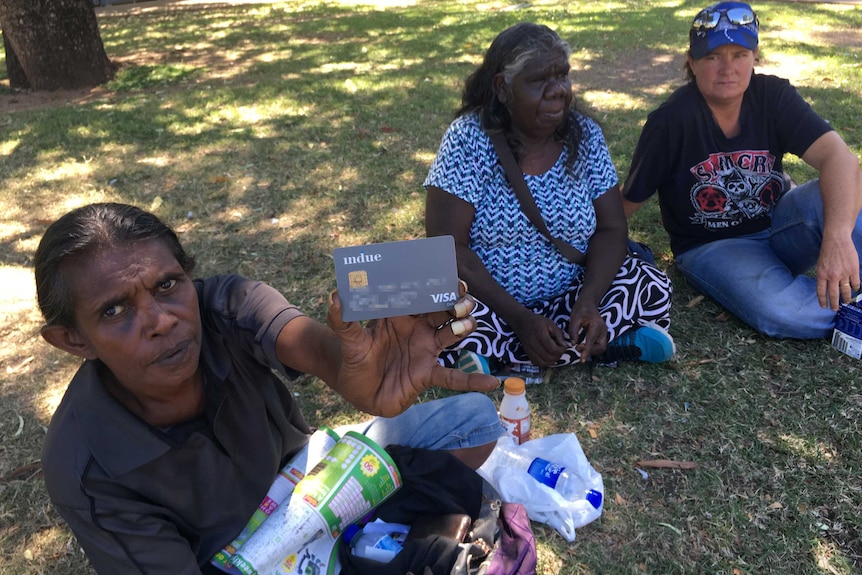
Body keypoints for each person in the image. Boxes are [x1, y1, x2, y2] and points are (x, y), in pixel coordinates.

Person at [34, 202, 504, 574]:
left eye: (167, 285)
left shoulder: (226, 306)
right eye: (114, 312)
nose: (160, 321)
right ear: (73, 339)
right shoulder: (85, 465)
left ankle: (356, 529)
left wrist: (358, 374)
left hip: (310, 480)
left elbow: (316, 348)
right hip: (241, 558)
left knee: (476, 420)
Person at [424, 22, 675, 377]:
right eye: (541, 80)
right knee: (443, 306)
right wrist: (521, 318)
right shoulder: (468, 140)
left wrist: (589, 301)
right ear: (503, 88)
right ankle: (605, 344)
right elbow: (448, 248)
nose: (558, 90)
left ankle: (499, 355)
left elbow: (612, 227)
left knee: (648, 282)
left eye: (563, 76)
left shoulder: (585, 135)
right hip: (490, 300)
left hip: (572, 292)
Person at [621, 1, 862, 339]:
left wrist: (837, 238)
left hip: (781, 221)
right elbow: (624, 205)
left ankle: (841, 294)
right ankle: (852, 315)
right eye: (713, 56)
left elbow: (840, 159)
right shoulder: (670, 122)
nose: (727, 68)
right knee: (781, 313)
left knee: (848, 192)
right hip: (713, 246)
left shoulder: (773, 96)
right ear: (691, 62)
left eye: (740, 55)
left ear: (755, 57)